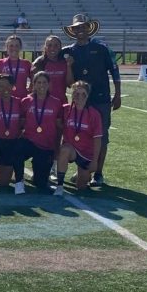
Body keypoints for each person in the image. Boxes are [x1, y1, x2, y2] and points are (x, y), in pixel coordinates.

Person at [61, 14, 121, 186]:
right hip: (80, 101)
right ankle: (82, 167)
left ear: (89, 28)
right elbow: (48, 57)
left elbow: (114, 71)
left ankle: (98, 173)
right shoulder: (68, 51)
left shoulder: (102, 48)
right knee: (78, 134)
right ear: (72, 31)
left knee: (101, 137)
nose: (80, 30)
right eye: (77, 27)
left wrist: (117, 94)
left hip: (101, 99)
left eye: (83, 27)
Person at [15, 71, 63, 192]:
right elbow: (20, 124)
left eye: (44, 82)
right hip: (29, 141)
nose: (41, 85)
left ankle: (37, 173)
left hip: (46, 146)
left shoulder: (56, 103)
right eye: (39, 82)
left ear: (49, 85)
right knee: (16, 149)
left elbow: (58, 127)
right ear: (34, 84)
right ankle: (19, 181)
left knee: (40, 184)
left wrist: (56, 147)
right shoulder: (26, 101)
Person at [53, 81, 103, 195]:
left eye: (83, 94)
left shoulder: (94, 114)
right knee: (64, 150)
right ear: (72, 94)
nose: (79, 97)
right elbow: (58, 129)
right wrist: (56, 149)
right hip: (71, 149)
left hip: (86, 153)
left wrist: (95, 161)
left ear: (87, 96)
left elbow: (97, 139)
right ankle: (59, 185)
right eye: (76, 94)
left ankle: (81, 174)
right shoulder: (65, 109)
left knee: (81, 187)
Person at [32, 35, 68, 103]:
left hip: (61, 102)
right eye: (49, 45)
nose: (52, 48)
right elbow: (33, 87)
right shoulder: (39, 63)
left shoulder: (65, 63)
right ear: (45, 48)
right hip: (43, 103)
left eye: (56, 46)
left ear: (60, 48)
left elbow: (69, 84)